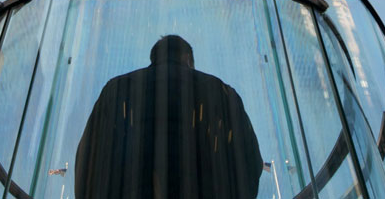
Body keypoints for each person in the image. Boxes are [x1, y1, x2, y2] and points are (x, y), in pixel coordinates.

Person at [73, 35, 263, 199]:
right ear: (188, 59)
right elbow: (249, 159)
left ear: (154, 57)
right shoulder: (219, 90)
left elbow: (89, 157)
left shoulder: (117, 88)